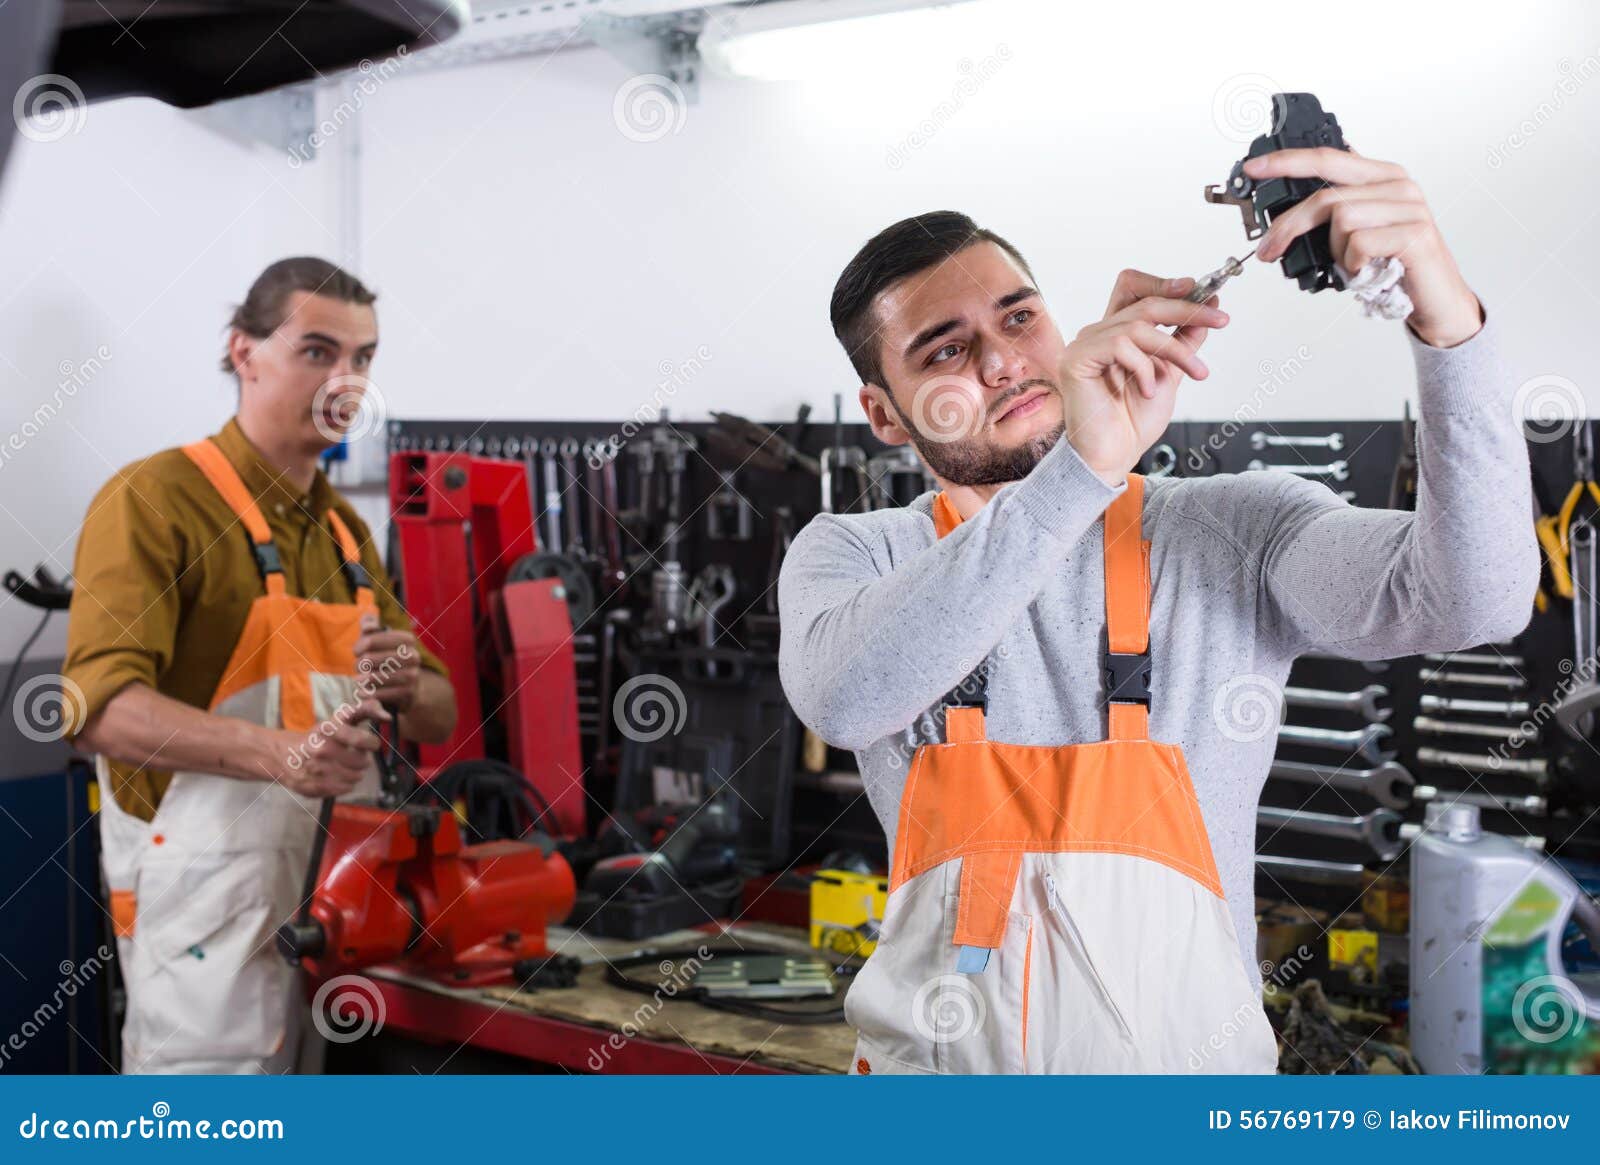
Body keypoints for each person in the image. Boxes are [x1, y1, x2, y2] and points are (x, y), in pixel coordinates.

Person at [778, 147, 1539, 1074]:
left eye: (1020, 316)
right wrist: (1085, 470)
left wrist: (1446, 320)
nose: (1005, 360)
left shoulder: (1230, 534)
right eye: (946, 349)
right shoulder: (858, 554)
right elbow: (849, 698)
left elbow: (1480, 597)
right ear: (886, 415)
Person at [64, 257, 457, 1074]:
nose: (345, 379)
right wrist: (282, 754)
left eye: (363, 358)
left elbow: (442, 713)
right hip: (203, 910)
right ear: (244, 352)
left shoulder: (346, 532)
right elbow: (94, 708)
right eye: (317, 351)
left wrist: (406, 682)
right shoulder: (154, 499)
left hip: (339, 906)